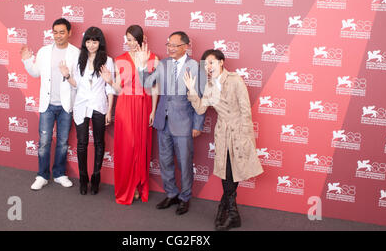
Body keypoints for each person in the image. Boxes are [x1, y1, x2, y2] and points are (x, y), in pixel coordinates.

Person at [183, 49, 264, 230]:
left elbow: (245, 111)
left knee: (233, 170)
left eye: (211, 62)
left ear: (221, 62)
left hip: (238, 131)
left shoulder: (235, 80)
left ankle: (226, 210)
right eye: (206, 65)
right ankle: (229, 211)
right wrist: (191, 89)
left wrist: (245, 136)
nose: (208, 67)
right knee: (226, 171)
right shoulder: (210, 85)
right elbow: (201, 109)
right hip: (222, 133)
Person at [135, 31, 205, 215]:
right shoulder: (164, 63)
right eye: (169, 45)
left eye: (175, 45)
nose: (171, 49)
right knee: (165, 161)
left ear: (186, 46)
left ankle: (185, 197)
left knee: (184, 162)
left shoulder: (196, 67)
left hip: (184, 123)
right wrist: (142, 66)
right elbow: (148, 83)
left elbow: (201, 98)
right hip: (163, 121)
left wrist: (198, 124)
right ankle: (171, 193)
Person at [101, 25, 159, 205]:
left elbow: (154, 87)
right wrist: (110, 80)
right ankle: (128, 186)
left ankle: (138, 185)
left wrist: (154, 110)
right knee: (128, 147)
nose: (131, 43)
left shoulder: (153, 58)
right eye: (128, 39)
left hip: (144, 104)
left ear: (142, 39)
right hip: (125, 105)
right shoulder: (120, 59)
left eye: (134, 39)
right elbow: (118, 88)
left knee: (141, 146)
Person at [20, 18, 80, 190]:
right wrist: (26, 61)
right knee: (44, 141)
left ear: (69, 33)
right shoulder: (44, 51)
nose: (58, 36)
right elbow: (35, 72)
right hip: (47, 105)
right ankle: (42, 175)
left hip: (66, 106)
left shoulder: (75, 53)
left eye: (62, 32)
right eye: (55, 32)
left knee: (62, 142)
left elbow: (78, 81)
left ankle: (60, 174)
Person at [59, 27, 115, 195]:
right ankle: (83, 178)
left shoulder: (108, 60)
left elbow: (110, 88)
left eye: (95, 41)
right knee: (82, 143)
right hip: (81, 104)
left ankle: (95, 177)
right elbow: (77, 84)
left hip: (99, 105)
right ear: (85, 43)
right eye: (88, 41)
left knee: (99, 142)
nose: (91, 45)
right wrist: (67, 76)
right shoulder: (79, 58)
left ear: (100, 43)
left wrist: (109, 111)